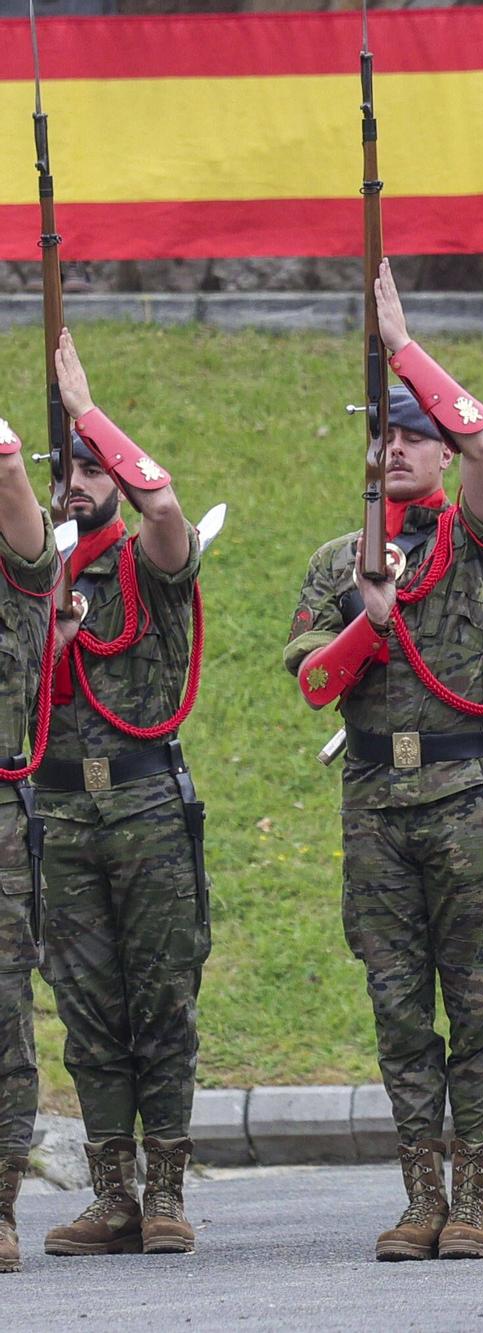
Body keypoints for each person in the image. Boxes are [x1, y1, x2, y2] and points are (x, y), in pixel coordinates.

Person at [284, 261, 483, 1262]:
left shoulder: (477, 538)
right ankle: (417, 1191)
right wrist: (365, 625)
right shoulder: (341, 560)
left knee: (473, 997)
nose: (395, 451)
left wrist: (406, 347)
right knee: (395, 1001)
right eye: (382, 437)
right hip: (377, 799)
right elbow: (307, 676)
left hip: (465, 793)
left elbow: (479, 440)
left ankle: (468, 1196)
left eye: (409, 436)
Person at [36, 329, 208, 1260]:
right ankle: (112, 1196)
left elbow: (165, 503)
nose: (79, 480)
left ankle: (168, 1192)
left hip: (144, 810)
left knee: (160, 1002)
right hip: (60, 817)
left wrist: (86, 408)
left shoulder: (150, 565)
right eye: (68, 467)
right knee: (88, 1010)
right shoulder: (38, 577)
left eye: (93, 466)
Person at [0, 410, 56, 1275]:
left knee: (4, 1017)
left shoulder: (17, 576)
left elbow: (26, 526)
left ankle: (0, 1204)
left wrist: (7, 447)